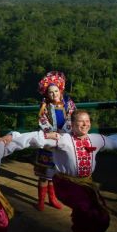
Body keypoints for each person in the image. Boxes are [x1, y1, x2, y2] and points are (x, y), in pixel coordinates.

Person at [28, 110, 117, 232]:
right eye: (81, 121)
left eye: (87, 121)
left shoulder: (95, 139)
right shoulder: (63, 140)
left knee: (102, 214)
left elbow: (114, 142)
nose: (85, 124)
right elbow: (36, 139)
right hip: (66, 183)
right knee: (84, 209)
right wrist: (11, 138)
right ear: (72, 125)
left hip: (86, 183)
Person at [34, 71, 76, 211]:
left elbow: (73, 117)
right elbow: (42, 120)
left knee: (55, 173)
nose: (54, 94)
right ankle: (41, 201)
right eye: (50, 92)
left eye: (56, 91)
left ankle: (53, 198)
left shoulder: (68, 103)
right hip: (48, 142)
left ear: (60, 89)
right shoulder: (44, 105)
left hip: (63, 140)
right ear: (46, 93)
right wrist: (50, 132)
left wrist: (64, 132)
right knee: (44, 174)